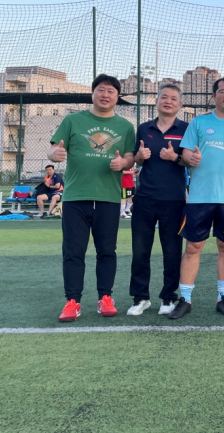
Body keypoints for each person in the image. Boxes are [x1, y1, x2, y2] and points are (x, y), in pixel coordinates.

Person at [49, 74, 136, 322]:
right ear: (93, 93)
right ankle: (72, 302)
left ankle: (105, 298)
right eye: (101, 90)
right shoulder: (73, 120)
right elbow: (53, 148)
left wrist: (124, 163)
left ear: (117, 97)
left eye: (111, 91)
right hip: (75, 198)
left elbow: (131, 157)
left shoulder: (125, 126)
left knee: (107, 251)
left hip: (108, 198)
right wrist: (55, 154)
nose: (105, 95)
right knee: (73, 252)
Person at [168, 77, 224, 320]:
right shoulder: (198, 122)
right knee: (192, 247)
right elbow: (186, 153)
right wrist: (191, 158)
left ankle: (223, 297)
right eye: (222, 91)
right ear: (214, 95)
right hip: (200, 197)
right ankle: (185, 299)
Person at [126, 83, 189, 317]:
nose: (168, 101)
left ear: (180, 104)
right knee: (140, 251)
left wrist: (175, 157)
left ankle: (168, 297)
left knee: (171, 251)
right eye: (164, 97)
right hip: (145, 198)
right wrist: (140, 157)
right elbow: (137, 160)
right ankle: (140, 297)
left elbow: (191, 160)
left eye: (173, 98)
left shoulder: (186, 129)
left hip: (174, 199)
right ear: (156, 101)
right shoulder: (144, 128)